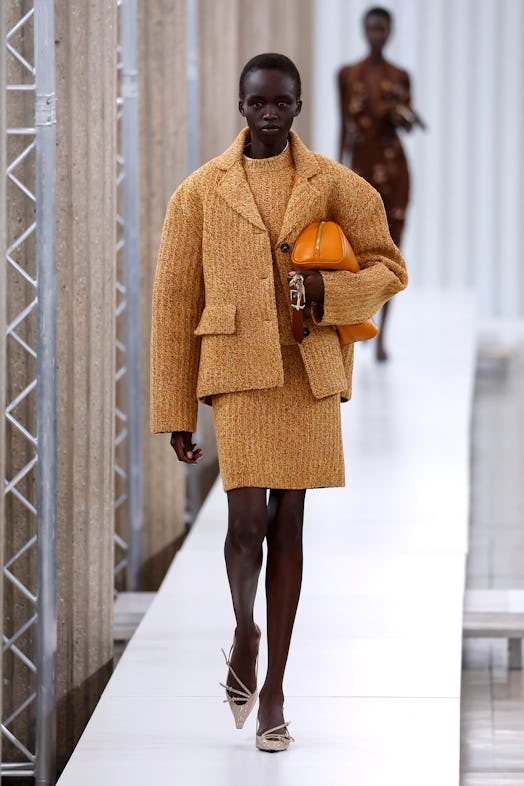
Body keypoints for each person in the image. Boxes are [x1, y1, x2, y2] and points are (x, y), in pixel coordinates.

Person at [150, 52, 407, 752]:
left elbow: (389, 266)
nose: (269, 112)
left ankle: (275, 692)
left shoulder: (334, 185)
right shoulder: (200, 193)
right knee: (244, 525)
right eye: (258, 102)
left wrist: (331, 295)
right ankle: (245, 630)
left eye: (282, 102)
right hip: (236, 370)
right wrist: (176, 411)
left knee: (289, 523)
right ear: (241, 106)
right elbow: (175, 305)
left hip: (305, 369)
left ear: (297, 107)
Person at [337, 6, 424, 361]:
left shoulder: (401, 76)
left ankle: (383, 334)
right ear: (364, 30)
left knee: (392, 247)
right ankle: (363, 324)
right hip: (361, 166)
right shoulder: (347, 74)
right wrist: (334, 171)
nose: (377, 35)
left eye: (382, 29)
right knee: (357, 251)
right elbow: (342, 124)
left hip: (394, 166)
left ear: (390, 32)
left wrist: (401, 111)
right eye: (371, 29)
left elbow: (408, 124)